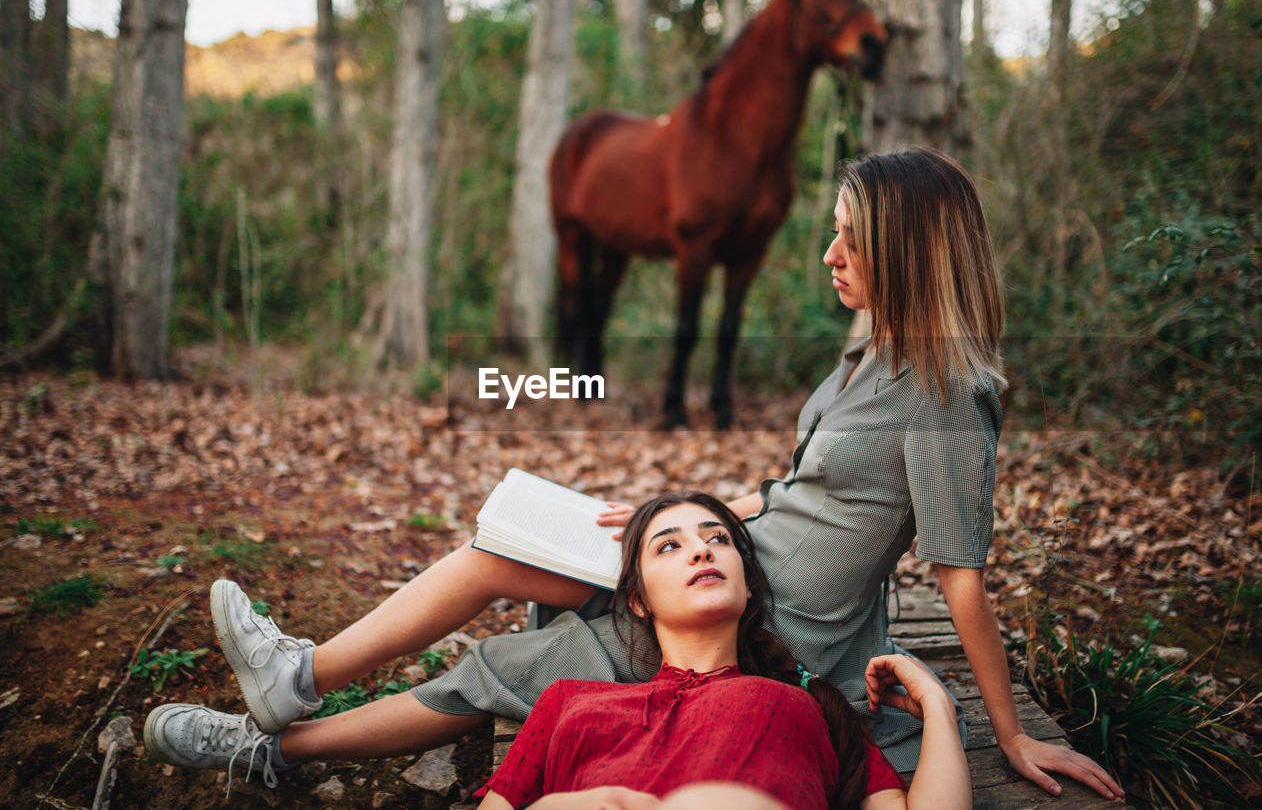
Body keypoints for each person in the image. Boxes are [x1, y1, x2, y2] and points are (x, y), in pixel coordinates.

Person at [143, 148, 1123, 800]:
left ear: (904, 251)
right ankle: (297, 673)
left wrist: (1008, 730)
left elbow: (959, 574)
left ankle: (271, 749)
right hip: (739, 558)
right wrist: (698, 509)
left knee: (500, 669)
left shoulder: (950, 395)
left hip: (779, 622)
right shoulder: (875, 351)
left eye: (848, 239)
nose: (827, 254)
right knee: (503, 547)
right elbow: (823, 490)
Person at [473, 492, 970, 810]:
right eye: (668, 546)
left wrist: (937, 706)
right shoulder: (566, 701)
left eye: (719, 539)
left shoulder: (817, 707)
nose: (702, 550)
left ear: (749, 586)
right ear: (638, 601)